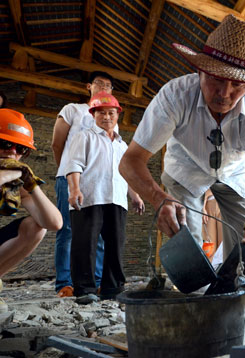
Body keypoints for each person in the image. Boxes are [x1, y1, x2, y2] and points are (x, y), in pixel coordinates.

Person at [119, 15, 245, 344]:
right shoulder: (174, 96)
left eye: (237, 84)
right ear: (200, 70)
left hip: (234, 173)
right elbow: (130, 161)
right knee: (188, 244)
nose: (226, 93)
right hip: (185, 168)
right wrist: (159, 197)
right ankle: (201, 314)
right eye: (216, 80)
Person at [65, 93, 144, 304]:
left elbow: (126, 174)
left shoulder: (122, 145)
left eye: (111, 113)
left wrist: (135, 196)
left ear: (118, 114)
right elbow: (73, 165)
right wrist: (74, 190)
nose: (106, 117)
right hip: (90, 196)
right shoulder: (84, 137)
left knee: (116, 244)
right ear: (93, 114)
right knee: (85, 244)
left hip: (116, 199)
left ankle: (113, 287)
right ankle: (84, 289)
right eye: (101, 113)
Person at [51, 71, 115, 297]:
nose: (104, 88)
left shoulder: (109, 119)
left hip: (98, 183)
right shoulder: (72, 110)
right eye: (100, 84)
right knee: (67, 230)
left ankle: (96, 280)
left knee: (97, 233)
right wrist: (68, 172)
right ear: (89, 86)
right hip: (70, 179)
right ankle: (65, 283)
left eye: (109, 86)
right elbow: (57, 144)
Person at [0, 109, 63, 312]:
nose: (13, 153)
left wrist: (31, 185)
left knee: (37, 227)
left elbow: (54, 223)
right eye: (5, 145)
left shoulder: (14, 182)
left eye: (21, 150)